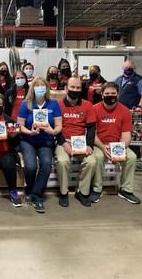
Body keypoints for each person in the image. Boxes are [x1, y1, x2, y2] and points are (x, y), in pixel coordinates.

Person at [17, 77, 62, 213]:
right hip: (28, 140)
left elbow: (59, 125)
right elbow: (20, 126)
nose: (40, 87)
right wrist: (30, 132)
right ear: (33, 88)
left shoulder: (53, 104)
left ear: (47, 88)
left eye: (43, 85)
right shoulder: (26, 104)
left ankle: (37, 196)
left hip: (46, 141)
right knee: (30, 166)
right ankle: (29, 190)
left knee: (46, 164)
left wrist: (52, 131)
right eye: (37, 85)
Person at [92, 82, 140, 204]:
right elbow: (93, 134)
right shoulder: (94, 109)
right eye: (107, 93)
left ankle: (126, 190)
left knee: (132, 157)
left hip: (117, 144)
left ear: (118, 94)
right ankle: (97, 190)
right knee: (97, 157)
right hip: (99, 144)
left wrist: (121, 148)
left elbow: (126, 135)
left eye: (113, 93)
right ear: (102, 94)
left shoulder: (124, 111)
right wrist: (103, 147)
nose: (110, 96)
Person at [56, 77, 97, 207]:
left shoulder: (87, 105)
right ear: (66, 88)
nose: (75, 90)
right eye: (72, 87)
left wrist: (89, 145)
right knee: (63, 162)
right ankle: (63, 193)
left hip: (81, 140)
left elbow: (91, 128)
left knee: (91, 162)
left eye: (78, 88)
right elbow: (56, 129)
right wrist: (64, 143)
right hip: (63, 140)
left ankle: (83, 193)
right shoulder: (58, 105)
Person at [114, 60, 142, 158]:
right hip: (119, 113)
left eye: (130, 67)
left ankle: (134, 157)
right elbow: (112, 90)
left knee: (134, 136)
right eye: (126, 67)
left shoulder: (140, 80)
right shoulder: (118, 79)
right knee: (119, 134)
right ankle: (119, 155)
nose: (127, 69)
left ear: (134, 69)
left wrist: (139, 107)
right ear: (122, 69)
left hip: (134, 114)